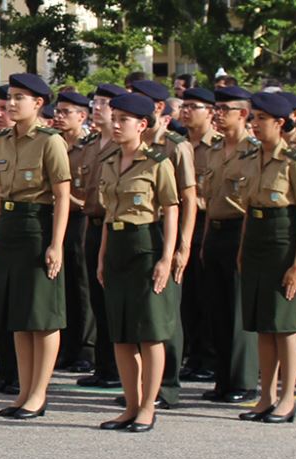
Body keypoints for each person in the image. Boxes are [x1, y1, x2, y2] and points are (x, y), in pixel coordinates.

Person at [0, 73, 71, 419]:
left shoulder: (50, 141)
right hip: (8, 226)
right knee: (19, 316)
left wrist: (56, 244)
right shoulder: (1, 140)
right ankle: (23, 390)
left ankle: (39, 393)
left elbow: (63, 195)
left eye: (20, 97)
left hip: (37, 224)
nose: (11, 103)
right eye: (10, 96)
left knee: (42, 315)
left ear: (38, 104)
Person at [94, 93, 180, 433]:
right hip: (116, 245)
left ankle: (148, 406)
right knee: (122, 333)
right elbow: (106, 215)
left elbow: (171, 210)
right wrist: (102, 256)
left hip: (145, 244)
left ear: (142, 125)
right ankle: (129, 405)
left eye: (123, 120)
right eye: (113, 117)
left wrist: (166, 258)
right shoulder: (110, 161)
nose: (116, 124)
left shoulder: (158, 163)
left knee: (150, 332)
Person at [236, 92, 296, 424]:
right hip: (256, 240)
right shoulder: (252, 157)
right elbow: (249, 209)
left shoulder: (294, 161)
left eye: (260, 119)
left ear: (279, 123)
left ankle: (287, 398)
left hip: (282, 240)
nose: (253, 124)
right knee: (263, 327)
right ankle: (266, 396)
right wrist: (242, 248)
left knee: (285, 327)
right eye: (253, 118)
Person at [129, 79, 198, 407]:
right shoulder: (130, 147)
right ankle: (143, 386)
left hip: (163, 234)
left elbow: (187, 200)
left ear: (158, 109)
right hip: (137, 233)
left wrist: (182, 247)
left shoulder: (175, 146)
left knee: (165, 313)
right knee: (142, 315)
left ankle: (167, 386)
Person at [196, 86, 261, 403]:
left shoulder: (254, 151)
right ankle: (224, 379)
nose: (218, 114)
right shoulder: (213, 149)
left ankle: (244, 380)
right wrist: (206, 240)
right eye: (216, 109)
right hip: (216, 230)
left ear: (243, 114)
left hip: (241, 230)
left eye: (225, 110)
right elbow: (209, 199)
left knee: (238, 310)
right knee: (217, 309)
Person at [76, 83, 128, 390]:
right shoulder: (91, 144)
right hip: (92, 223)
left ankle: (117, 369)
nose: (97, 107)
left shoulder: (124, 146)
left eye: (105, 103)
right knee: (96, 296)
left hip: (116, 225)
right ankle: (103, 365)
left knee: (114, 300)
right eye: (95, 102)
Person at [53, 90, 98, 374]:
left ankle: (86, 348)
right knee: (63, 284)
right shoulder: (53, 142)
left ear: (82, 116)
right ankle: (68, 346)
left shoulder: (91, 146)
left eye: (65, 112)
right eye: (57, 111)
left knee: (82, 285)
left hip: (81, 217)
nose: (58, 116)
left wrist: (68, 198)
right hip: (58, 219)